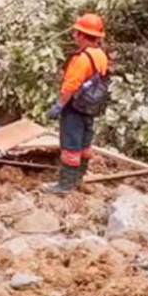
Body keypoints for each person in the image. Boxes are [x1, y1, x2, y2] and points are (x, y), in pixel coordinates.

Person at [46, 14, 109, 194]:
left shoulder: (82, 58)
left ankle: (65, 185)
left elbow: (71, 86)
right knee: (84, 143)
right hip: (91, 106)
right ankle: (78, 179)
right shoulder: (101, 55)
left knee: (71, 144)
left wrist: (59, 105)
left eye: (76, 32)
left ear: (82, 34)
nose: (74, 35)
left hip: (75, 106)